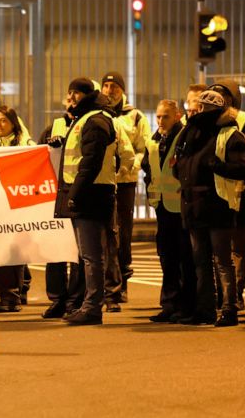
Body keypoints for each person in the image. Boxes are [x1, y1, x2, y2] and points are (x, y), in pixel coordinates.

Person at [173, 89, 245, 327]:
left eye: (201, 107)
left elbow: (242, 168)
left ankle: (229, 309)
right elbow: (180, 164)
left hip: (217, 205)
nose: (196, 111)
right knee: (202, 262)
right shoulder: (191, 131)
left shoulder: (230, 134)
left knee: (222, 261)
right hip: (194, 204)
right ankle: (205, 309)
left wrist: (216, 166)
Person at [53, 78, 118, 326]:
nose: (70, 97)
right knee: (89, 256)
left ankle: (92, 308)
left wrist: (75, 194)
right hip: (90, 192)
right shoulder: (88, 118)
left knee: (92, 256)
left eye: (75, 93)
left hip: (91, 194)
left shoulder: (95, 120)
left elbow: (90, 162)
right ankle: (90, 305)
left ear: (84, 95)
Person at [209, 79, 245, 312]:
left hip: (241, 190)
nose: (220, 101)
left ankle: (236, 293)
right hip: (215, 192)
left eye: (225, 96)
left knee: (237, 246)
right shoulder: (208, 121)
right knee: (218, 248)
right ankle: (221, 293)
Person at [142, 100, 195, 323]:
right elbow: (148, 168)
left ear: (177, 116)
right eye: (159, 116)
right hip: (163, 206)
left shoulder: (184, 136)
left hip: (180, 206)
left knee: (184, 258)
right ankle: (169, 304)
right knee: (167, 258)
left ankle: (185, 306)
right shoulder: (155, 140)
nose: (161, 121)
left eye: (165, 116)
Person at [100, 72, 150, 305]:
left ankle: (123, 284)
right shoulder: (97, 114)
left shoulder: (135, 116)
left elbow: (144, 147)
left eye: (114, 86)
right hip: (102, 182)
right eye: (106, 86)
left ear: (122, 89)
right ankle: (108, 285)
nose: (109, 90)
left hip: (125, 183)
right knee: (105, 235)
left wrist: (133, 165)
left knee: (124, 234)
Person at [0, 106, 34, 312]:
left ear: (13, 123)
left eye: (3, 121)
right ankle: (1, 292)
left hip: (16, 205)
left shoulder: (24, 143)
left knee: (13, 251)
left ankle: (12, 296)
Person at [40, 95, 85, 319]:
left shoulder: (88, 124)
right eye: (69, 98)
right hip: (55, 194)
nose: (71, 103)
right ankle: (57, 299)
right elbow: (37, 157)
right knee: (56, 249)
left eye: (75, 99)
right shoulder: (54, 126)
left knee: (78, 251)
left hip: (78, 193)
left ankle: (74, 300)